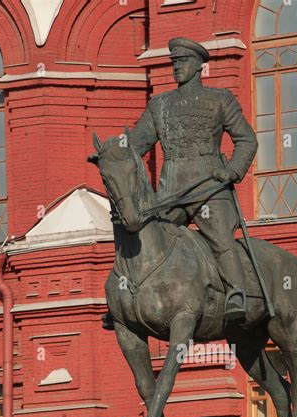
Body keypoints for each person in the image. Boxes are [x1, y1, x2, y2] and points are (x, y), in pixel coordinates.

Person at [103, 37, 258, 328]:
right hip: (170, 194)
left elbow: (247, 140)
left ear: (199, 66)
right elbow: (137, 144)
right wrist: (112, 153)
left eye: (183, 62)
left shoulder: (220, 99)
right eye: (174, 63)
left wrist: (232, 171)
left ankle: (237, 293)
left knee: (221, 238)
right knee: (141, 233)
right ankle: (125, 300)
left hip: (209, 188)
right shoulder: (159, 105)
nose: (177, 68)